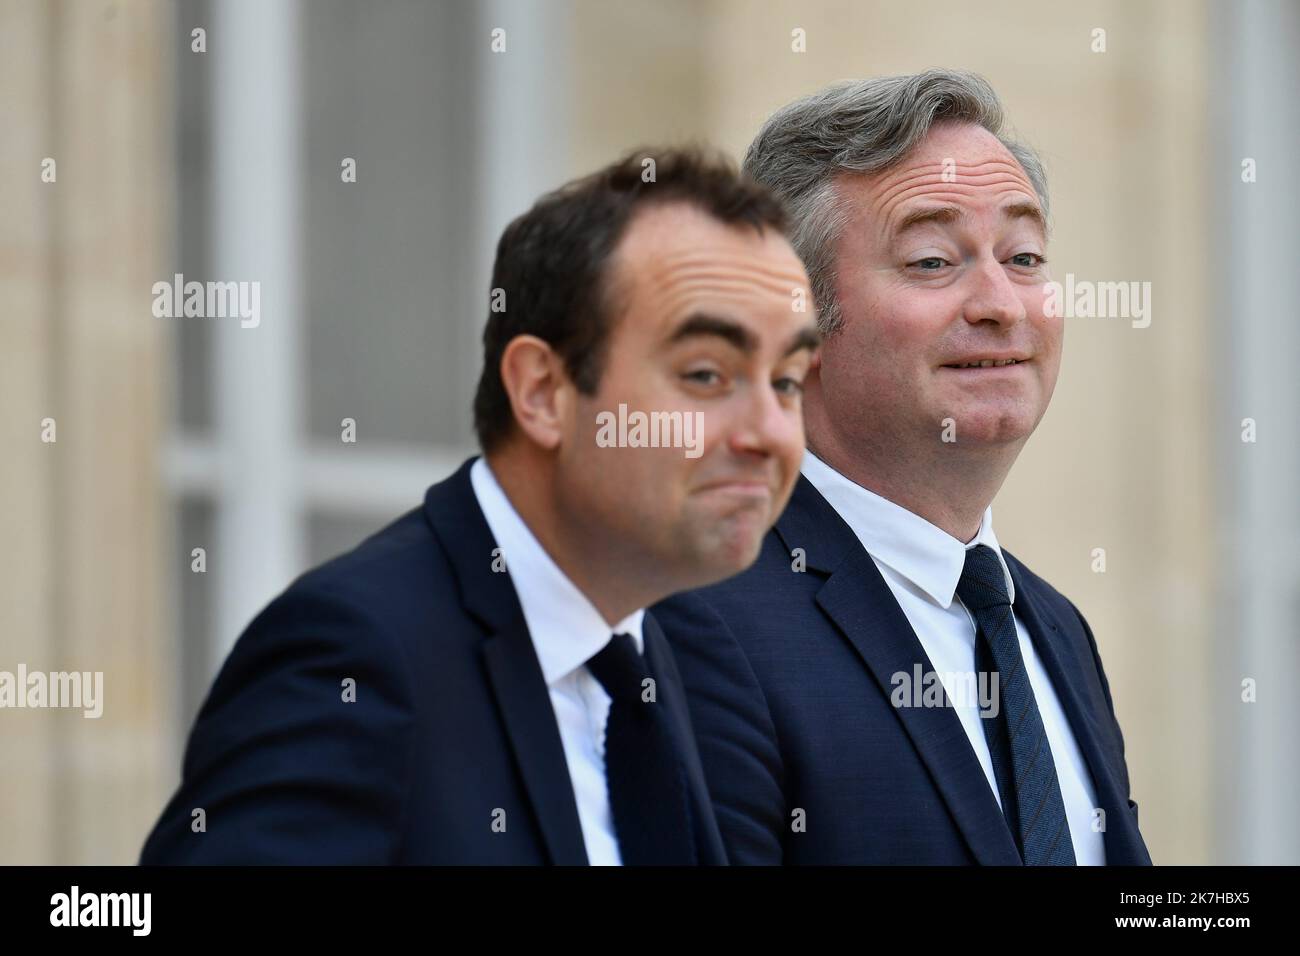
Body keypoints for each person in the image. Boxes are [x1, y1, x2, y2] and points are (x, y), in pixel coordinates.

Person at [140, 147, 819, 864]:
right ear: (541, 392)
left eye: (789, 381)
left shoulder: (667, 649)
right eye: (707, 374)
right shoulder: (358, 654)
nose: (770, 433)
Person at [652, 71, 1152, 865]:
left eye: (1024, 256)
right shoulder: (690, 616)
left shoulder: (1053, 628)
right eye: (930, 261)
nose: (1002, 303)